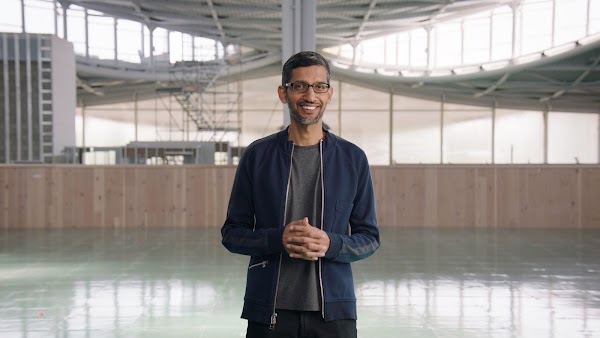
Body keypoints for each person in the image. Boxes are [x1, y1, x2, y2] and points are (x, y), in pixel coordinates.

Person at [221, 51, 380, 338]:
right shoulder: (258, 156)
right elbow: (232, 234)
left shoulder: (353, 158)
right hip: (269, 312)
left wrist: (331, 244)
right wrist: (275, 239)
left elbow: (369, 238)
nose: (310, 95)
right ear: (284, 93)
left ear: (329, 94)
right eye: (299, 86)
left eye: (319, 86)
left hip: (335, 314)